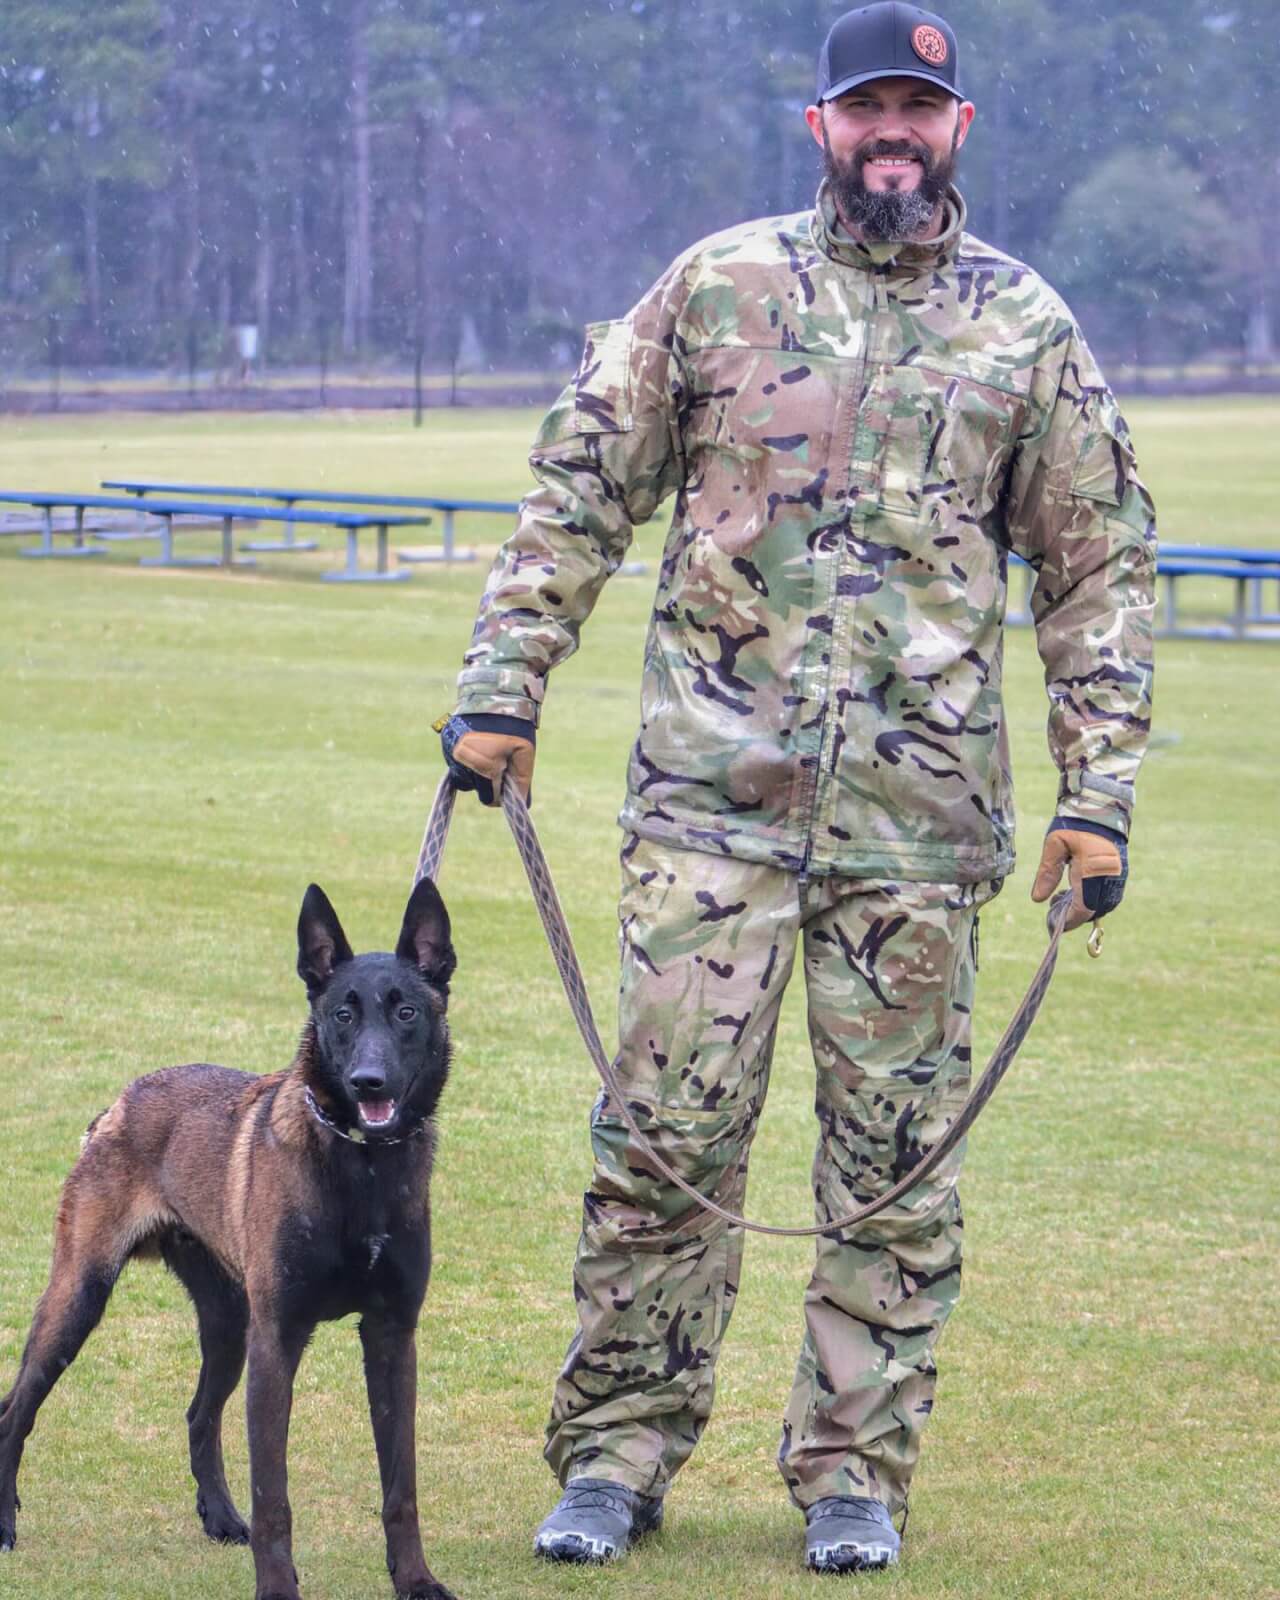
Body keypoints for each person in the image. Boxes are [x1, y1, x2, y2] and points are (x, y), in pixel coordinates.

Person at [438, 0, 1155, 1575]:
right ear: (816, 127)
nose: (890, 133)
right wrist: (505, 681)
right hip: (709, 816)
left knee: (893, 1169)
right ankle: (616, 1458)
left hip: (923, 836)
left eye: (919, 109)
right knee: (662, 1148)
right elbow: (578, 489)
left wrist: (1100, 790)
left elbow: (1097, 572)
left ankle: (854, 1476)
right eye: (863, 109)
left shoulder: (1023, 329)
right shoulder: (716, 289)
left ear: (961, 130)